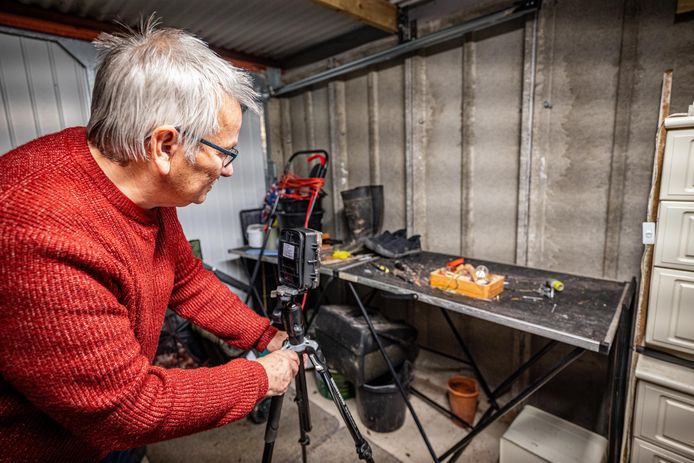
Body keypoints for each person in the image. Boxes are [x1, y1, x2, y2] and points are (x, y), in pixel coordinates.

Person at [0, 20, 300, 462]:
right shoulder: (38, 234)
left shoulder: (142, 189)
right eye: (225, 152)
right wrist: (259, 378)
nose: (229, 169)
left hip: (107, 434)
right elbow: (126, 408)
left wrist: (264, 335)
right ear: (164, 145)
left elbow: (185, 278)